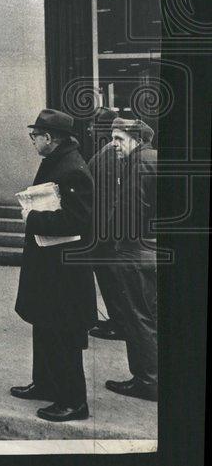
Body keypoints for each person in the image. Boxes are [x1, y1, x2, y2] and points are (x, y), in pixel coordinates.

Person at [12, 109, 96, 422]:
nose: (32, 140)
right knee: (45, 327)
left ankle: (74, 402)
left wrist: (32, 217)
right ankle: (47, 384)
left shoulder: (71, 168)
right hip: (51, 267)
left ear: (50, 138)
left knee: (63, 334)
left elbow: (77, 219)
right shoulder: (58, 160)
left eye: (35, 135)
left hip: (64, 272)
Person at [104, 117, 159, 402]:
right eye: (112, 138)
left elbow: (130, 211)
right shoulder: (156, 159)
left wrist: (113, 240)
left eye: (118, 139)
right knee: (150, 317)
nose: (113, 145)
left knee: (137, 320)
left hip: (134, 252)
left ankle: (147, 381)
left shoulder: (137, 164)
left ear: (135, 139)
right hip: (153, 249)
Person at [86, 107, 126, 341]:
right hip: (107, 231)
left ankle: (119, 324)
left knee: (111, 280)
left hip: (106, 234)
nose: (90, 129)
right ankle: (117, 321)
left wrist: (104, 234)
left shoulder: (109, 154)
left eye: (94, 125)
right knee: (110, 280)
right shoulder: (107, 152)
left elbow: (110, 198)